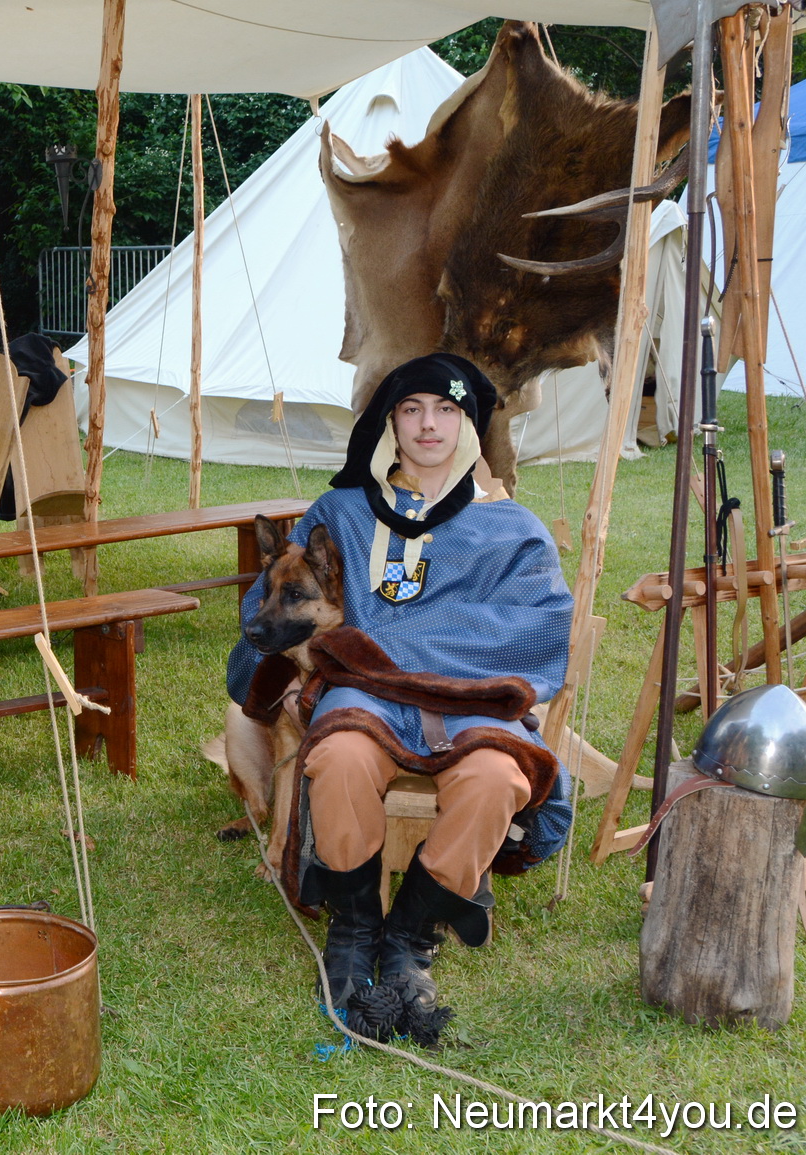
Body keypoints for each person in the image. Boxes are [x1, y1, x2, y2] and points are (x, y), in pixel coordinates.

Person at [226, 352, 573, 1043]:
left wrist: (414, 647)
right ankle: (356, 929)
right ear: (391, 423)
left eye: (445, 410)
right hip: (368, 697)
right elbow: (270, 599)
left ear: (468, 426)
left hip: (473, 702)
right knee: (344, 757)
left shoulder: (515, 531)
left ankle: (410, 937)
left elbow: (539, 628)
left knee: (497, 776)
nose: (428, 425)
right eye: (412, 409)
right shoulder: (342, 513)